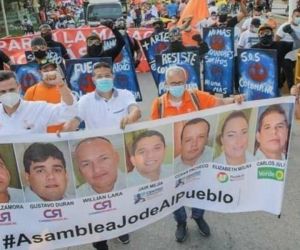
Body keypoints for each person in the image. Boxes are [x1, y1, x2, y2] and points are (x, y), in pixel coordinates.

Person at [150, 65, 244, 243]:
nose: (177, 85)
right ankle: (181, 222)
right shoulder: (159, 104)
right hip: (175, 159)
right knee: (175, 192)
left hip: (198, 158)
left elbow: (219, 102)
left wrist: (235, 99)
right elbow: (155, 131)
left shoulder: (195, 97)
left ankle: (198, 216)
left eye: (180, 82)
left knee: (201, 188)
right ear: (166, 84)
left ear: (186, 83)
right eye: (173, 83)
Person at [74, 137, 128, 249]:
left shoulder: (134, 182)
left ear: (116, 158)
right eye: (86, 164)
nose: (97, 170)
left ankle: (122, 232)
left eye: (103, 158)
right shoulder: (77, 197)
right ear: (80, 171)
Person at [62, 62, 141, 131]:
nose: (104, 79)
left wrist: (130, 118)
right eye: (99, 77)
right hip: (98, 145)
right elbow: (74, 121)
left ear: (113, 77)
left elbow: (136, 111)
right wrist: (66, 129)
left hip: (124, 143)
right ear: (93, 79)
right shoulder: (85, 100)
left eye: (107, 75)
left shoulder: (126, 94)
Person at [0, 70, 76, 136]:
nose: (8, 94)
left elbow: (68, 111)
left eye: (11, 90)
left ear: (18, 87)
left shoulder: (37, 109)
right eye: (3, 91)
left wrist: (61, 85)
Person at [23, 60, 66, 133]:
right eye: (45, 71)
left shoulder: (64, 89)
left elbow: (71, 111)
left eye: (52, 70)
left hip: (62, 135)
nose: (49, 73)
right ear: (40, 72)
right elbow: (25, 115)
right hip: (40, 136)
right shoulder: (31, 91)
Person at [252, 24, 293, 88]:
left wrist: (292, 33)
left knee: (287, 61)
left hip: (275, 85)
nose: (265, 34)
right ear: (258, 36)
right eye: (262, 33)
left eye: (267, 32)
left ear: (272, 34)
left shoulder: (281, 45)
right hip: (259, 85)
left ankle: (291, 87)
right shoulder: (253, 48)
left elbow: (297, 44)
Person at [275, 8, 300, 89]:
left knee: (288, 67)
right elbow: (276, 39)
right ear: (292, 16)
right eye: (297, 16)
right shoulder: (285, 26)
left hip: (296, 51)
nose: (298, 18)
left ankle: (280, 84)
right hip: (285, 51)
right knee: (287, 63)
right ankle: (291, 86)